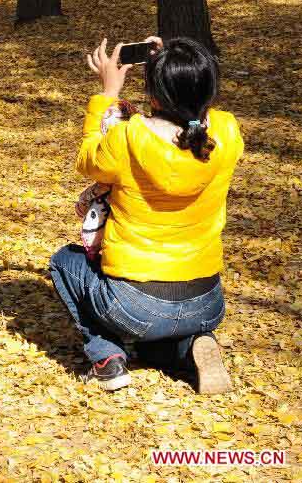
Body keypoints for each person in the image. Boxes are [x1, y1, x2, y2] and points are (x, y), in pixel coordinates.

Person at [49, 37, 244, 394]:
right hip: (207, 301)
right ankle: (190, 347)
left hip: (136, 304)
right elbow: (191, 119)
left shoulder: (128, 138)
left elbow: (87, 159)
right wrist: (172, 64)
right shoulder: (228, 132)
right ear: (210, 90)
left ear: (154, 96)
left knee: (64, 261)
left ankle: (107, 358)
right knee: (155, 339)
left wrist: (108, 94)